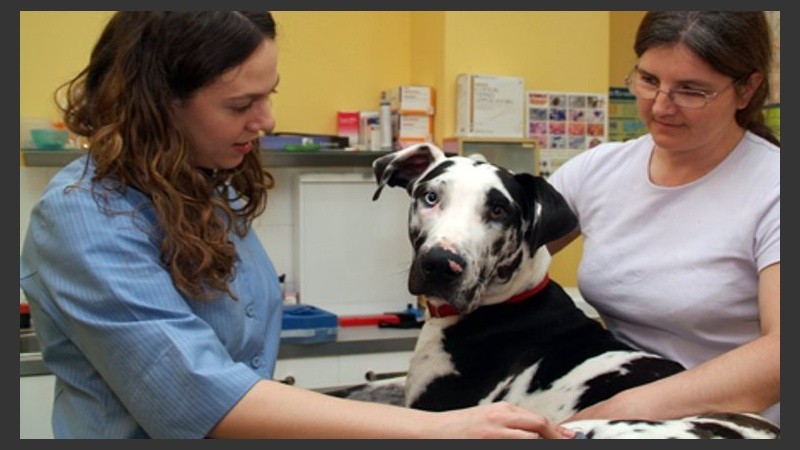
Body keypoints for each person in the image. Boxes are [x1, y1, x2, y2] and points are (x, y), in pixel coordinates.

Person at [19, 12, 575, 439]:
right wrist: (438, 427)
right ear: (159, 105)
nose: (267, 121)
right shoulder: (86, 215)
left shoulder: (207, 186)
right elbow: (201, 394)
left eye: (270, 95)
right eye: (242, 104)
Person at [547, 11, 779, 426]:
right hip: (615, 410)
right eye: (649, 80)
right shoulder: (597, 171)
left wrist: (621, 409)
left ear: (747, 89)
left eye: (691, 91)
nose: (660, 106)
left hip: (732, 425)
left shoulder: (774, 187)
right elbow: (498, 254)